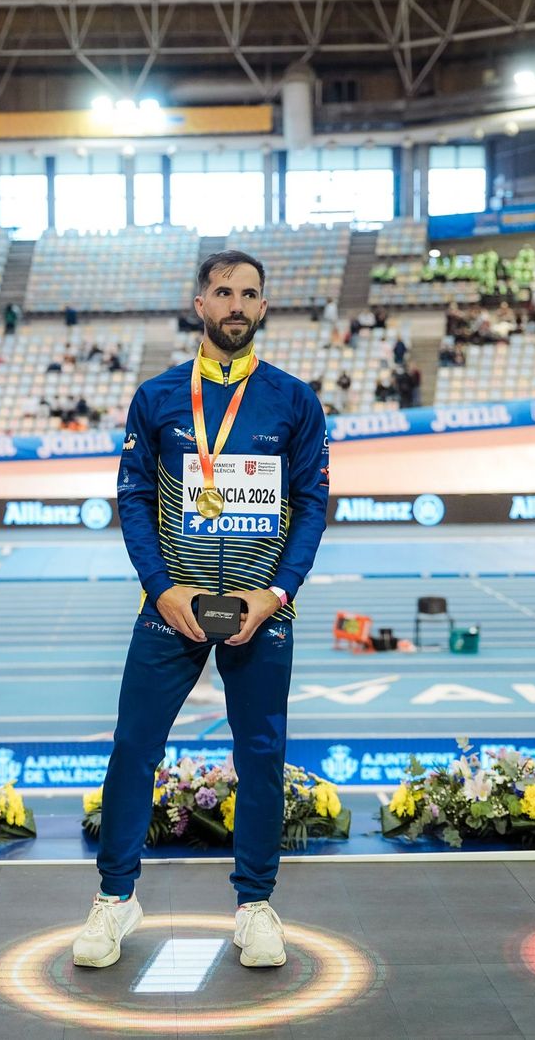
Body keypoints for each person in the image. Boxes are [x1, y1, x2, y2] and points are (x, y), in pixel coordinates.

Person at [73, 250, 329, 972]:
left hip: (260, 608)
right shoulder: (157, 398)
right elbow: (132, 498)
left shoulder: (293, 401)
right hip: (174, 604)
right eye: (224, 292)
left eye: (250, 293)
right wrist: (163, 589)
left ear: (264, 307)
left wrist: (274, 594)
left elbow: (311, 505)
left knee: (261, 756)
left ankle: (254, 905)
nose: (237, 305)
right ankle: (116, 896)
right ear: (200, 303)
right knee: (133, 749)